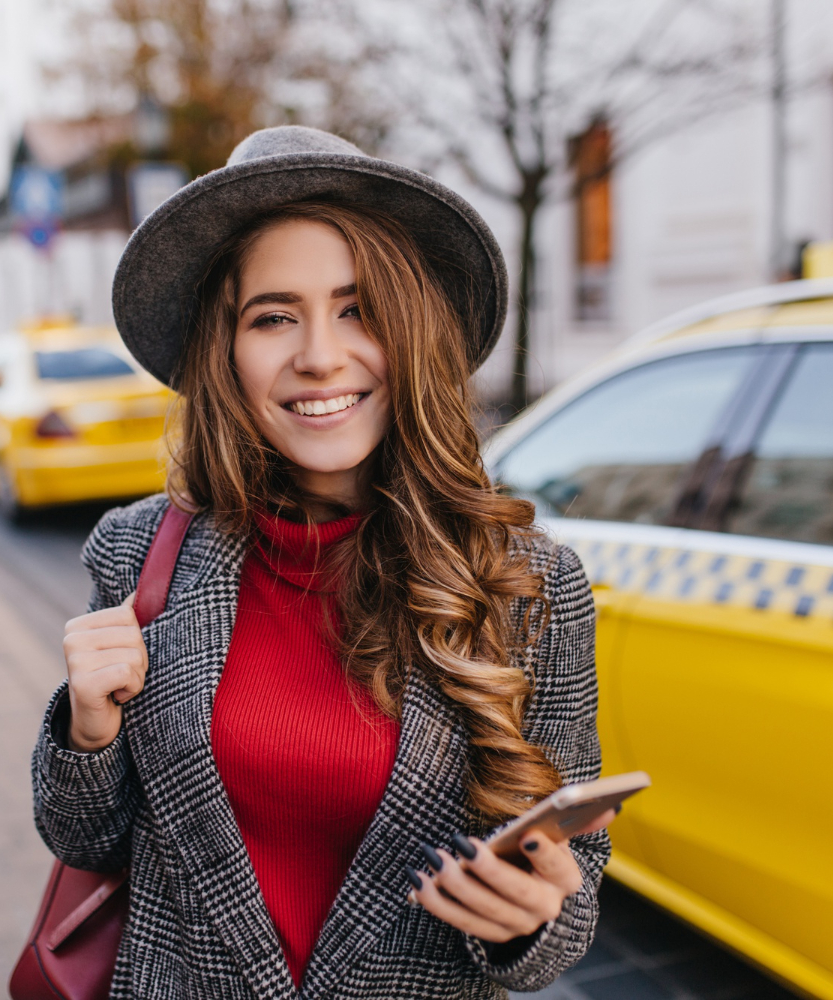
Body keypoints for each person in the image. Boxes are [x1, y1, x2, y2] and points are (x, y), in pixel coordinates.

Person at [32, 126, 611, 999]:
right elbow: (81, 840)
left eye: (358, 309)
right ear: (223, 352)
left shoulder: (531, 587)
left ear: (412, 332)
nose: (319, 355)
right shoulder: (138, 553)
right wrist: (85, 730)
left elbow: (577, 888)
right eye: (273, 316)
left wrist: (532, 919)